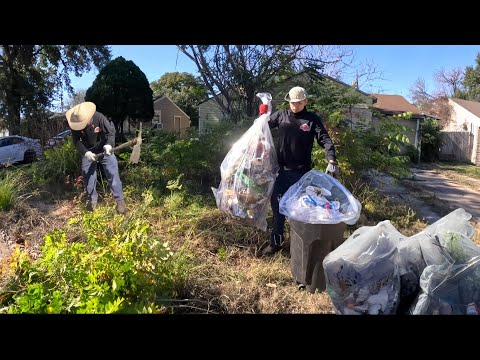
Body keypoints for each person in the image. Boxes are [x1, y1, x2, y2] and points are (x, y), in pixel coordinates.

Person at [258, 86, 339, 256]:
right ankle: (276, 243)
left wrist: (331, 159)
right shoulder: (281, 115)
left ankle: (299, 247)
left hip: (302, 174)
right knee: (278, 206)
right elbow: (262, 126)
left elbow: (324, 139)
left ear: (305, 102)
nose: (294, 106)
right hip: (280, 171)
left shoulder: (311, 120)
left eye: (298, 103)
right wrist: (263, 112)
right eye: (292, 103)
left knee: (300, 210)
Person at [65, 101, 126, 214]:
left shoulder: (99, 117)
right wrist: (85, 152)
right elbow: (77, 141)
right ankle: (92, 201)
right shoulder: (74, 124)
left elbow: (110, 133)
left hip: (104, 149)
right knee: (87, 176)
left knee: (112, 174)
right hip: (88, 151)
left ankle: (120, 201)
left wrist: (109, 145)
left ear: (89, 118)